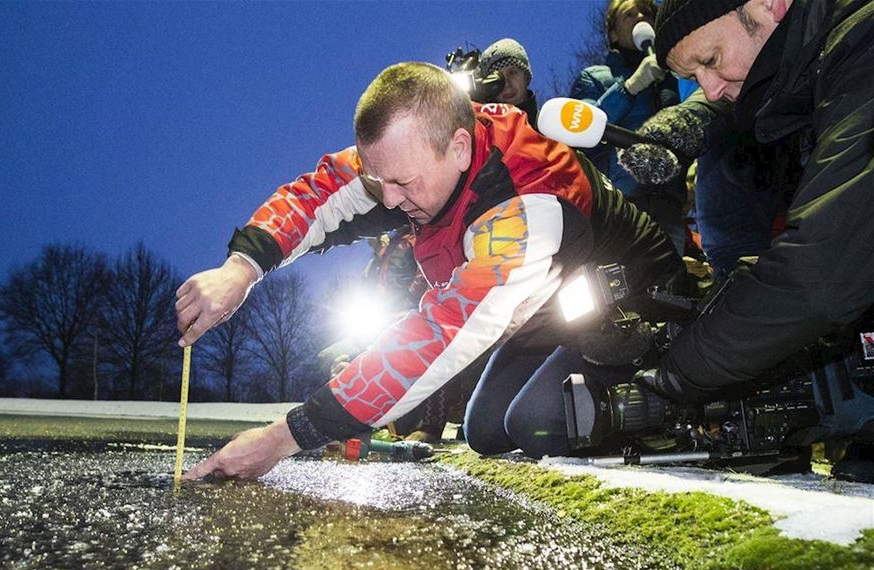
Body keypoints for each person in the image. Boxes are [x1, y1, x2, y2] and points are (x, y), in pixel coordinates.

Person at [176, 62, 685, 480]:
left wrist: (284, 438)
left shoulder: (523, 204)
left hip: (632, 308)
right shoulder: (414, 152)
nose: (391, 201)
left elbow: (440, 332)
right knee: (486, 431)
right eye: (380, 181)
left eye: (402, 183)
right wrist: (240, 268)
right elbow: (318, 195)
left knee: (535, 424)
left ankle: (682, 400)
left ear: (460, 148)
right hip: (548, 312)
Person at [646, 0, 874, 481]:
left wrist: (680, 372)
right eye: (694, 78)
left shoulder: (862, 46)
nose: (710, 88)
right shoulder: (816, 65)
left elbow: (824, 270)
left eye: (709, 60)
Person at [571, 0, 689, 253]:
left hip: (669, 205)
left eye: (646, 13)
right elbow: (580, 132)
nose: (640, 17)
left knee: (672, 284)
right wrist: (629, 88)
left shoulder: (674, 77)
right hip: (620, 204)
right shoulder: (593, 77)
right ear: (613, 34)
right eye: (629, 14)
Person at [476, 38, 540, 126]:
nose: (507, 83)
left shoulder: (549, 127)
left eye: (512, 72)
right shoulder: (484, 133)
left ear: (525, 76)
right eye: (497, 78)